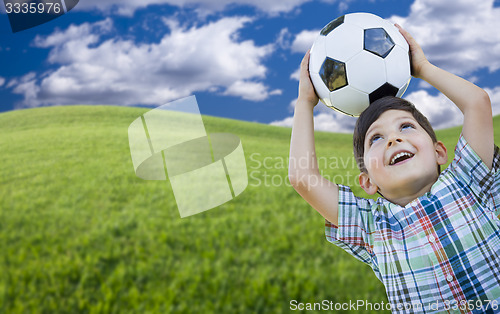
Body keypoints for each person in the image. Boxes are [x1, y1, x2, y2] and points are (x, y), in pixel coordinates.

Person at [288, 24, 500, 313]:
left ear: (439, 152)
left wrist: (423, 67)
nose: (394, 138)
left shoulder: (467, 180)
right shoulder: (371, 227)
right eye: (376, 138)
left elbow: (477, 103)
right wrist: (305, 102)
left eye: (406, 127)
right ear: (368, 182)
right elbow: (302, 177)